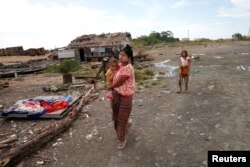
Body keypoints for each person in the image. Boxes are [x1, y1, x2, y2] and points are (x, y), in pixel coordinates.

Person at [108, 44, 135, 150]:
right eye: (120, 54)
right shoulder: (121, 65)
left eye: (123, 55)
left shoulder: (128, 68)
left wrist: (110, 87)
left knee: (121, 119)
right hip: (117, 94)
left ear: (129, 57)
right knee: (117, 115)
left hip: (125, 96)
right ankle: (126, 126)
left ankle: (122, 139)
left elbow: (119, 82)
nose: (120, 57)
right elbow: (112, 68)